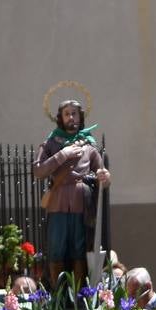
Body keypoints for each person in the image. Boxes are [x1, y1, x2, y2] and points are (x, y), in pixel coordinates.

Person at [33, 99, 110, 285]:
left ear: (80, 116)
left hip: (81, 202)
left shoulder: (89, 145)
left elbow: (102, 173)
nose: (71, 117)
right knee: (56, 247)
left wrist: (104, 176)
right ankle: (57, 293)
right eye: (67, 113)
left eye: (74, 113)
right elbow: (38, 171)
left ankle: (77, 295)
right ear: (60, 118)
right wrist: (63, 154)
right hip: (58, 200)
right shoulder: (50, 143)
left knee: (79, 248)